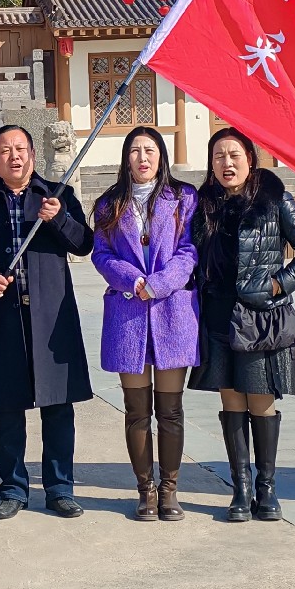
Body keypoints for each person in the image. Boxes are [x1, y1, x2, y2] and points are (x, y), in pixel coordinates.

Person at [0, 124, 93, 519]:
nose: (14, 156)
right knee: (7, 408)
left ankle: (60, 488)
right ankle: (13, 489)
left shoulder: (57, 195)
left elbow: (83, 244)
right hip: (5, 317)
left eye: (20, 148)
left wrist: (60, 219)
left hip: (52, 318)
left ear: (33, 155)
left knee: (58, 406)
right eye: (5, 150)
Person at [190, 127, 295, 522]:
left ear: (250, 158)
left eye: (234, 155)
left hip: (261, 318)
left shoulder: (273, 199)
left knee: (260, 400)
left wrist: (278, 284)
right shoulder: (204, 204)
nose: (226, 163)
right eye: (218, 156)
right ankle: (241, 489)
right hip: (218, 315)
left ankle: (267, 489)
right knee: (231, 399)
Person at [92, 126, 200, 521]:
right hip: (129, 313)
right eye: (135, 150)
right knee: (136, 410)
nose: (142, 157)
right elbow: (101, 254)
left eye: (150, 150)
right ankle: (146, 491)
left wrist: (160, 283)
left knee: (170, 410)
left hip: (172, 312)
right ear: (126, 158)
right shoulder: (109, 204)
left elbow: (189, 250)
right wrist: (132, 280)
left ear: (161, 156)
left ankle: (169, 490)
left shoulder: (183, 198)